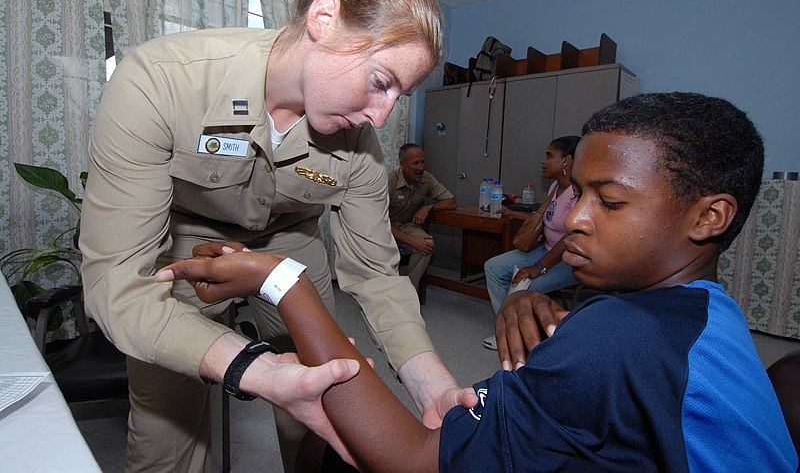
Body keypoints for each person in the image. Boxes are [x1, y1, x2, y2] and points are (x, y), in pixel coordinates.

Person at [157, 92, 798, 471]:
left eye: (610, 201)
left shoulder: (617, 340)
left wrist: (281, 280)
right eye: (576, 192)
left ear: (709, 216)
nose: (573, 219)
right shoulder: (710, 316)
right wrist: (525, 296)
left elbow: (408, 459)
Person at [79, 0, 475, 471]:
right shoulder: (162, 81)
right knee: (164, 442)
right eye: (380, 82)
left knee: (326, 418)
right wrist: (255, 369)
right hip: (183, 239)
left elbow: (377, 275)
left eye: (396, 97)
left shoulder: (359, 146)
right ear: (325, 17)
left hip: (292, 247)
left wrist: (433, 386)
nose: (380, 118)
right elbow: (117, 285)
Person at [482, 136, 580, 350]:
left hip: (568, 260)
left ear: (567, 160)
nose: (544, 161)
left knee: (527, 285)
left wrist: (538, 267)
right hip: (546, 250)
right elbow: (541, 218)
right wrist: (512, 212)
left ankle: (519, 336)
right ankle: (508, 327)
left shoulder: (578, 193)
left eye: (549, 156)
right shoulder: (555, 186)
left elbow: (571, 237)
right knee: (493, 267)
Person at [388, 143, 457, 292]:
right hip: (384, 227)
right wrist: (412, 240)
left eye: (423, 162)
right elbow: (377, 219)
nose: (421, 168)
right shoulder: (390, 180)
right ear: (402, 163)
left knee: (426, 243)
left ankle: (410, 291)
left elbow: (451, 202)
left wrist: (429, 206)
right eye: (415, 163)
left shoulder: (427, 179)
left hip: (406, 225)